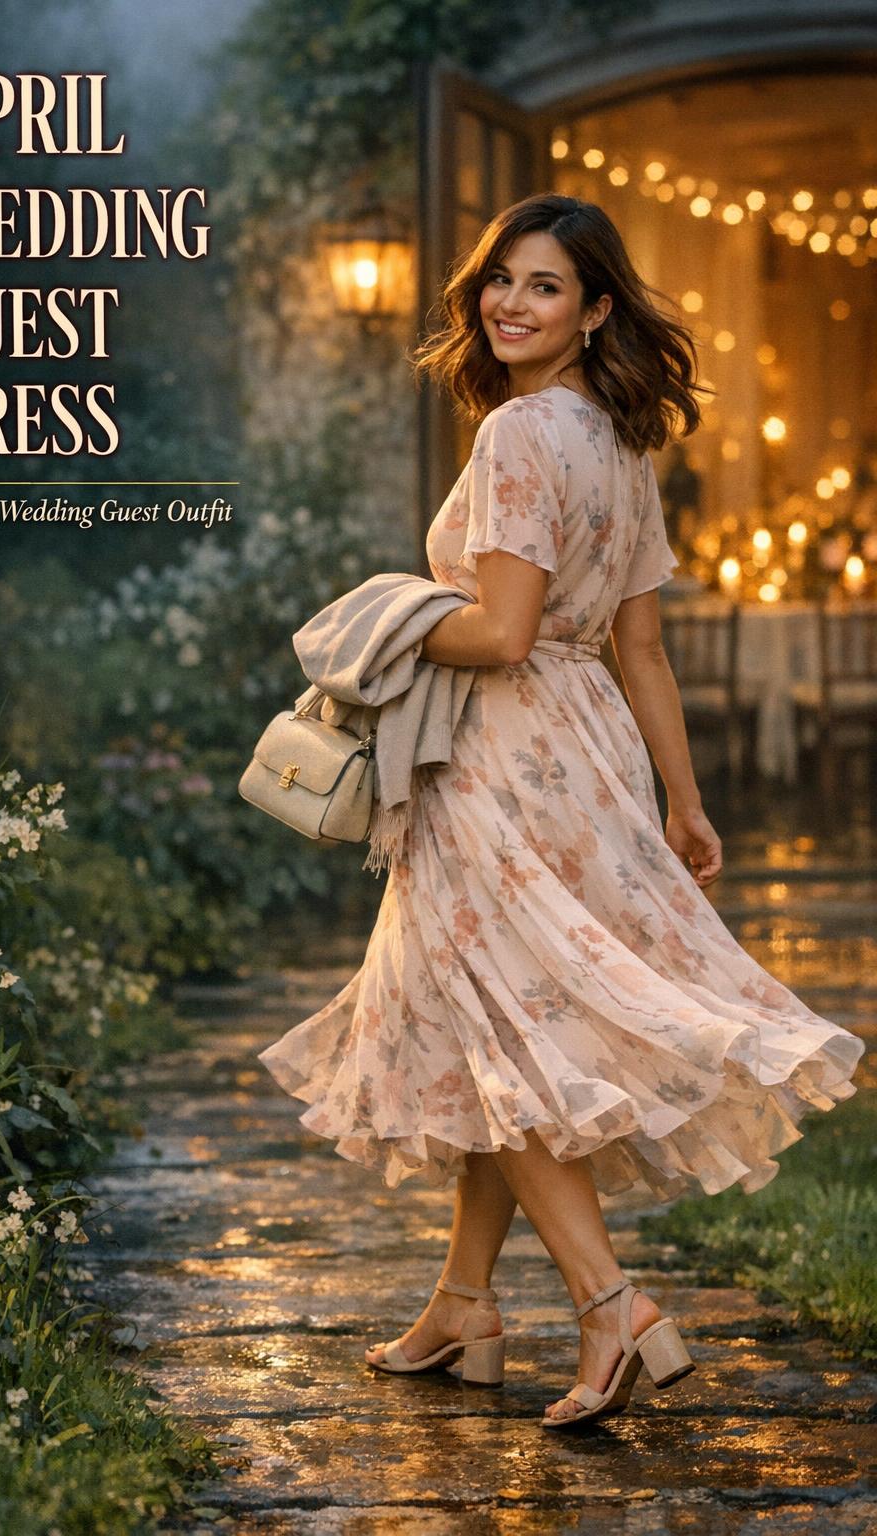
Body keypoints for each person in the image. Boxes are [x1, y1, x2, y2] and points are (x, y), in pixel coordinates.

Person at [256, 193, 864, 1427]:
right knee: (508, 1010)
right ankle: (464, 1305)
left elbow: (501, 632)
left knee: (497, 1027)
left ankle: (611, 1305)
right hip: (588, 753)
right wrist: (682, 805)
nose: (510, 304)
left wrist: (385, 612)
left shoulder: (522, 435)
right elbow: (640, 649)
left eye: (543, 287)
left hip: (503, 755)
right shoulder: (619, 438)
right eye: (500, 281)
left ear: (594, 312)